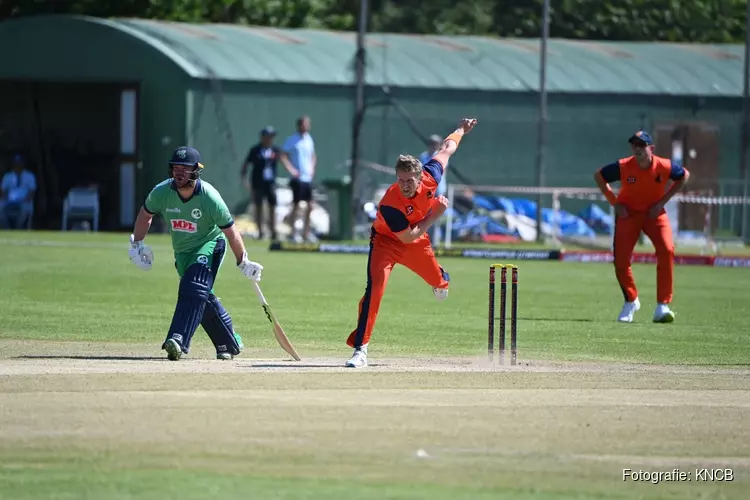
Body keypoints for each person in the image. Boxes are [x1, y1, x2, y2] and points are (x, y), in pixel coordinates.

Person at [344, 118, 478, 368]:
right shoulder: (390, 202)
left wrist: (460, 130)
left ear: (420, 177)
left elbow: (447, 149)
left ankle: (441, 279)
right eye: (400, 180)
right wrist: (434, 215)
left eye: (409, 181)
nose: (404, 186)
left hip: (417, 242)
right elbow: (406, 236)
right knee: (374, 291)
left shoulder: (432, 176)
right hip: (387, 241)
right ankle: (360, 349)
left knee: (438, 282)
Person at [128, 146, 264, 361]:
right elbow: (146, 215)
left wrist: (243, 261)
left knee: (194, 286)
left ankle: (178, 339)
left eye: (185, 168)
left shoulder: (209, 197)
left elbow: (231, 231)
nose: (179, 173)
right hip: (183, 253)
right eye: (176, 168)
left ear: (196, 171)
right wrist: (137, 244)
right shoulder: (162, 192)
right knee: (201, 296)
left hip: (211, 244)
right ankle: (229, 341)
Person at [593, 130, 690, 324]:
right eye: (634, 145)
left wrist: (662, 202)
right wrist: (615, 202)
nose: (638, 149)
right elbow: (599, 176)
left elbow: (684, 176)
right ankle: (631, 300)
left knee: (667, 249)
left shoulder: (664, 166)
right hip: (628, 214)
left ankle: (662, 305)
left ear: (651, 148)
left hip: (654, 214)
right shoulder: (623, 166)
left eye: (642, 145)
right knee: (620, 260)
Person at [280, 115, 317, 242]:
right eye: (304, 124)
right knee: (296, 205)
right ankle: (294, 233)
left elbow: (313, 156)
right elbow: (283, 156)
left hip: (308, 179)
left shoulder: (309, 139)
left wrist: (312, 169)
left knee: (310, 205)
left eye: (308, 124)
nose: (306, 126)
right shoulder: (292, 139)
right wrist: (292, 170)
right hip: (297, 179)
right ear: (299, 125)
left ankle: (306, 233)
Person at [242, 126, 281, 241]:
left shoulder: (275, 150)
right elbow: (246, 165)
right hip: (258, 182)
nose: (269, 139)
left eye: (271, 137)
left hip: (270, 182)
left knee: (272, 205)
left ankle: (273, 230)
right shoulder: (255, 150)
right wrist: (245, 179)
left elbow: (283, 160)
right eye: (267, 137)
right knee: (258, 206)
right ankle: (260, 231)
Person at [420, 134, 449, 243]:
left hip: (438, 190)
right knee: (424, 216)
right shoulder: (423, 156)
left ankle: (434, 241)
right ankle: (424, 239)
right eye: (431, 143)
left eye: (435, 144)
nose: (433, 146)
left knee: (435, 216)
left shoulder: (442, 156)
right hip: (426, 190)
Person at [0, 153, 36, 229]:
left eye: (19, 163)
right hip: (9, 201)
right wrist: (7, 199)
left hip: (24, 201)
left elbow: (32, 191)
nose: (18, 165)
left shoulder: (29, 176)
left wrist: (25, 199)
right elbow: (3, 191)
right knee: (1, 208)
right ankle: (6, 229)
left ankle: (18, 229)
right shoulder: (7, 176)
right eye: (16, 163)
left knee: (23, 210)